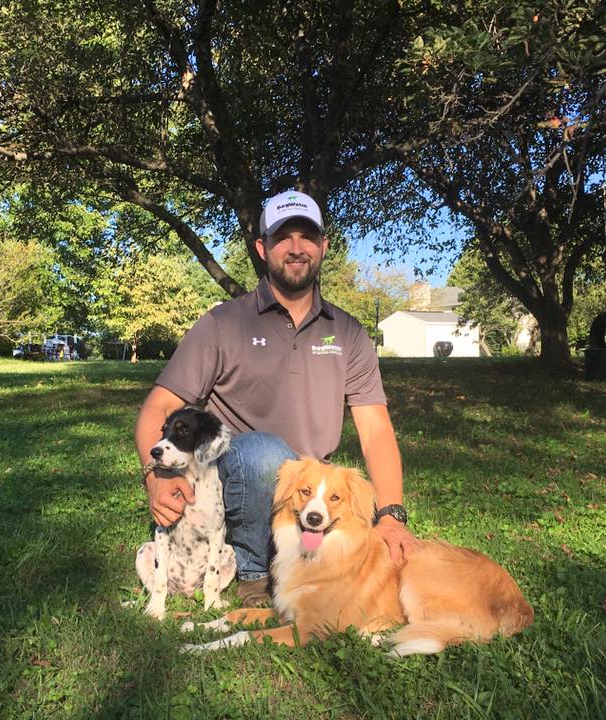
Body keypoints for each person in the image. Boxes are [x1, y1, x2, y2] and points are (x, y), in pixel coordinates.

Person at [134, 190, 418, 605]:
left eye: (307, 236)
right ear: (262, 247)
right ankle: (253, 572)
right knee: (266, 455)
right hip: (240, 480)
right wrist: (154, 475)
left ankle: (306, 550)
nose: (297, 248)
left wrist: (390, 515)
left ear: (323, 246)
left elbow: (375, 430)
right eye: (284, 237)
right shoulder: (222, 324)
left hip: (308, 494)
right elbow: (157, 408)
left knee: (327, 487)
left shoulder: (350, 333)